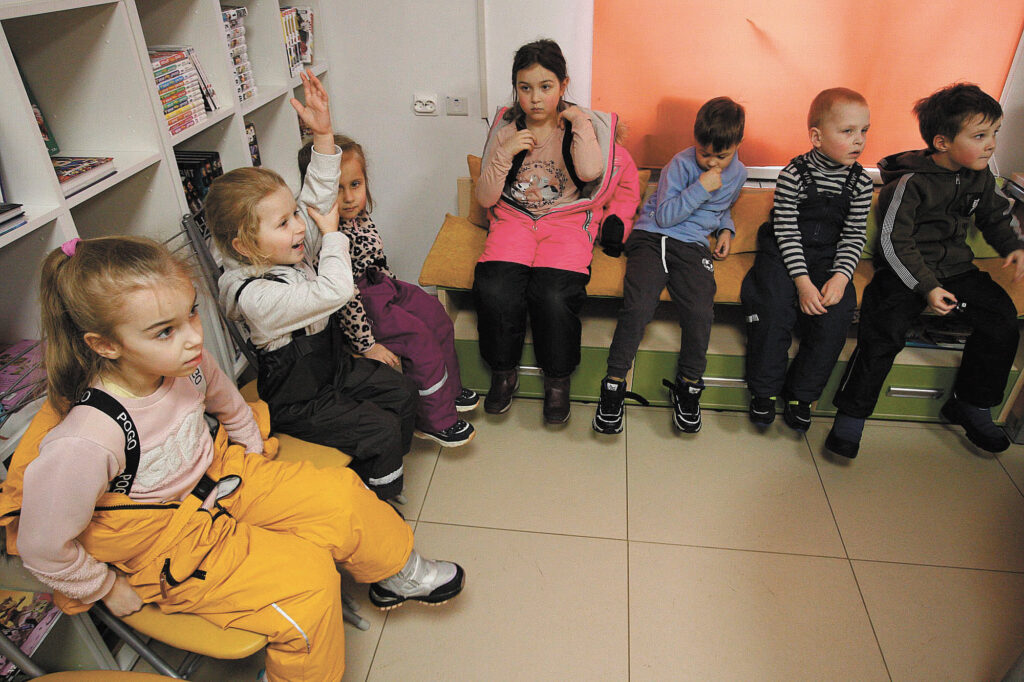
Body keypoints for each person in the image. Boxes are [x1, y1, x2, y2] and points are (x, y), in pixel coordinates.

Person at [3, 236, 465, 682]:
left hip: (223, 476)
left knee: (342, 495)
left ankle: (396, 573)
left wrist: (253, 452)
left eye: (191, 313)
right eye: (165, 331)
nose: (192, 338)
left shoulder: (186, 364)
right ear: (106, 345)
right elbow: (42, 545)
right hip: (164, 536)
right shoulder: (88, 439)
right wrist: (104, 587)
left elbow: (230, 405)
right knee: (306, 585)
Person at [206, 70, 417, 499]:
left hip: (333, 368)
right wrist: (334, 236)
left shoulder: (284, 249)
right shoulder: (255, 296)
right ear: (245, 246)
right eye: (284, 222)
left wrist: (322, 136)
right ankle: (378, 498)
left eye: (294, 215)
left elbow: (318, 197)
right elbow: (334, 292)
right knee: (378, 429)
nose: (300, 226)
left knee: (401, 390)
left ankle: (378, 472)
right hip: (298, 398)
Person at [827, 83, 1024, 458]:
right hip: (904, 270)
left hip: (956, 268)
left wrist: (1014, 246)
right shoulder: (910, 182)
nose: (991, 145)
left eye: (994, 134)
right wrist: (927, 287)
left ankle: (971, 403)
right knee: (883, 332)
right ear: (942, 142)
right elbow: (894, 242)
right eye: (980, 136)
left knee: (1001, 319)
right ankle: (852, 413)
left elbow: (996, 216)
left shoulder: (980, 176)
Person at [473, 38, 641, 424]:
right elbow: (485, 197)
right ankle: (503, 372)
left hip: (566, 222)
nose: (535, 98)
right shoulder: (506, 130)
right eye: (525, 88)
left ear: (563, 85)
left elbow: (590, 172)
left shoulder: (580, 126)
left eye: (545, 87)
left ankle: (557, 381)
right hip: (514, 218)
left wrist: (580, 122)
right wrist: (504, 152)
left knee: (553, 294)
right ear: (515, 88)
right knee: (494, 287)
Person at [296, 134, 478, 447]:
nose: (349, 197)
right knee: (418, 339)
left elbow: (377, 260)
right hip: (358, 305)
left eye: (355, 185)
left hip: (381, 286)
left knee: (435, 314)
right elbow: (345, 298)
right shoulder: (326, 234)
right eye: (338, 189)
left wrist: (397, 292)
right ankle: (434, 420)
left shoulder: (360, 216)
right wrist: (366, 345)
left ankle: (447, 392)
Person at [593, 97, 746, 435]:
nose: (711, 162)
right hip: (653, 236)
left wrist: (725, 230)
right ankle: (613, 384)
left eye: (721, 156)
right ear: (695, 140)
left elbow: (722, 207)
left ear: (738, 145)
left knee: (701, 312)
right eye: (704, 153)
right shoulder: (680, 164)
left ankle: (688, 386)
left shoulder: (739, 174)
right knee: (638, 307)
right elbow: (665, 216)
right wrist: (701, 187)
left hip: (692, 246)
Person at [741, 88, 873, 432]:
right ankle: (764, 390)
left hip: (828, 256)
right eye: (847, 131)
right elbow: (786, 232)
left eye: (864, 131)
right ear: (817, 137)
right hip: (784, 251)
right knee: (772, 308)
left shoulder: (861, 183)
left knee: (837, 315)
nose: (858, 140)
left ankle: (801, 394)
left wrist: (840, 278)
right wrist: (803, 284)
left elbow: (854, 235)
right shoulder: (794, 175)